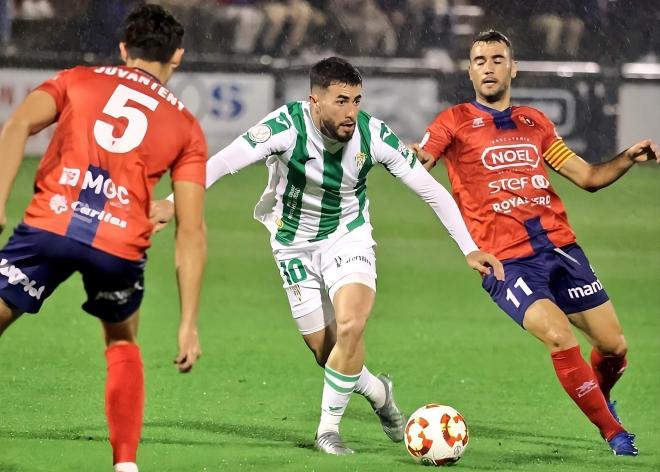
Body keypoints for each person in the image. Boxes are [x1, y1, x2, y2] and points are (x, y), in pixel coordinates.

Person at [150, 56, 503, 455]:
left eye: (356, 100)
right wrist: (172, 201)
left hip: (347, 237)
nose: (351, 112)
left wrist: (469, 248)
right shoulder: (286, 126)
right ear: (314, 101)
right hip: (292, 243)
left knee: (352, 325)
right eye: (340, 101)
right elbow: (224, 162)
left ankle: (328, 430)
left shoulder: (373, 135)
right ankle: (377, 391)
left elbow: (431, 190)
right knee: (326, 350)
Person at [413, 29, 660, 457]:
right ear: (469, 71)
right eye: (479, 61)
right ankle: (614, 434)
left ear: (513, 68)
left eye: (496, 59)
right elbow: (425, 159)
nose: (488, 67)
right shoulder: (452, 121)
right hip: (507, 261)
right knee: (561, 338)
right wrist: (410, 155)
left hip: (562, 248)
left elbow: (587, 178)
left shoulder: (535, 122)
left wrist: (627, 158)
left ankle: (597, 401)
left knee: (615, 347)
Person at [0, 4, 207, 472]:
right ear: (177, 56)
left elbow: (16, 126)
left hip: (49, 227)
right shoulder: (187, 128)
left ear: (122, 49)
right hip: (117, 246)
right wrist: (188, 321)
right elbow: (191, 230)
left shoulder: (78, 78)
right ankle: (126, 465)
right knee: (120, 339)